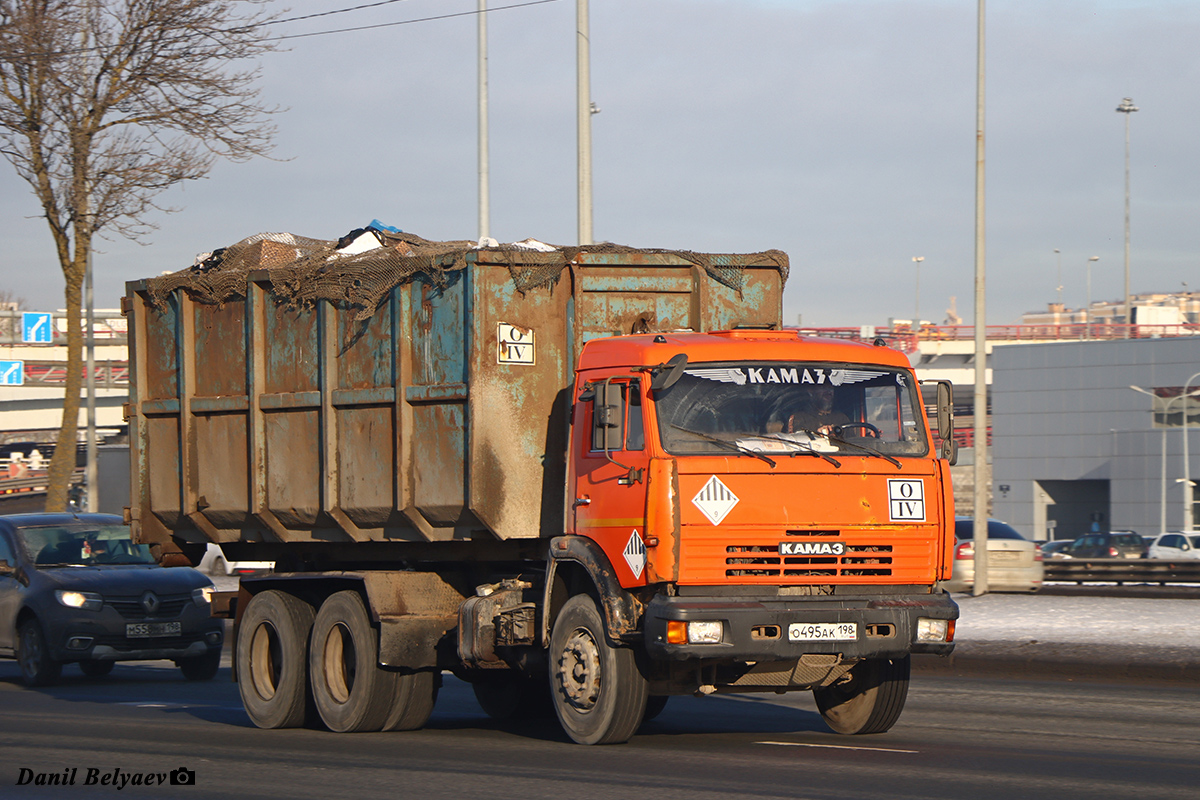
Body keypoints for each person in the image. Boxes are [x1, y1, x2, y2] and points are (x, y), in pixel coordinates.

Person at [786, 384, 850, 436]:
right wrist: (817, 434)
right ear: (811, 390)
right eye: (823, 387)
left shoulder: (842, 418)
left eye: (830, 388)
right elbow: (795, 442)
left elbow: (853, 445)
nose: (828, 391)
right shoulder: (799, 418)